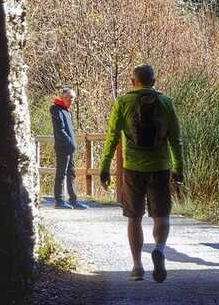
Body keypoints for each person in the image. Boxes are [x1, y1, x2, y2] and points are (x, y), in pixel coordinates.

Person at [99, 65, 184, 283]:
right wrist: (179, 168)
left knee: (134, 217)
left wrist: (105, 165)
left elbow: (112, 137)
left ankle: (137, 266)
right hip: (161, 167)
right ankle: (160, 248)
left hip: (133, 168)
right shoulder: (166, 103)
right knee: (161, 215)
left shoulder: (123, 102)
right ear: (154, 80)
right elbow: (175, 139)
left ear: (132, 81)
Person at [50, 88, 88, 209]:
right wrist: (70, 142)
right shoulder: (56, 110)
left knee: (71, 173)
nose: (70, 101)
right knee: (61, 173)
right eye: (68, 99)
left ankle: (73, 200)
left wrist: (72, 144)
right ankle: (59, 200)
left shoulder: (67, 111)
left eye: (72, 99)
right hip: (62, 147)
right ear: (62, 98)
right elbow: (59, 130)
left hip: (70, 148)